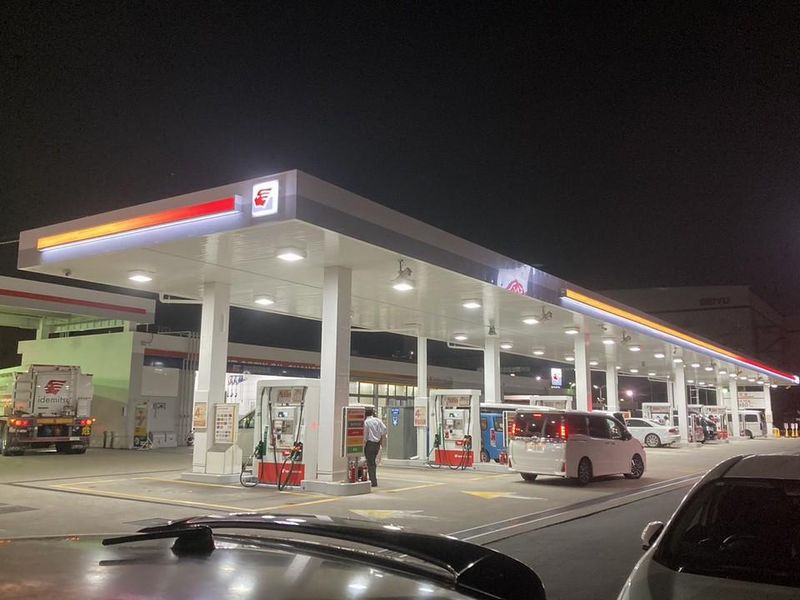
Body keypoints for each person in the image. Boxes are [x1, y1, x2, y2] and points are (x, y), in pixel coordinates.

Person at [363, 407, 387, 487]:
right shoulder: (378, 420)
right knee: (373, 462)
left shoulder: (366, 422)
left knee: (370, 463)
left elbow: (365, 436)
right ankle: (373, 480)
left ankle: (373, 481)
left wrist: (364, 443)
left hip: (370, 444)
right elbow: (384, 429)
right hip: (377, 444)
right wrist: (379, 435)